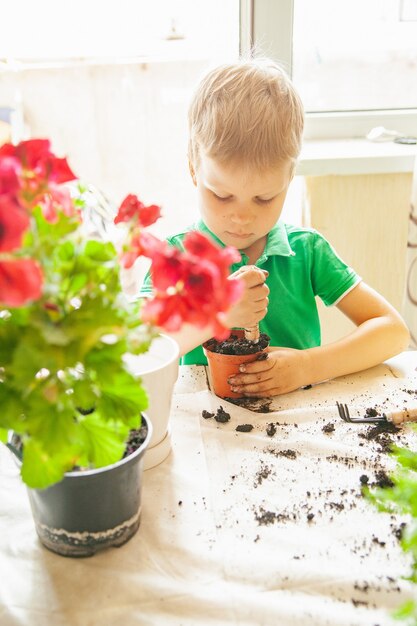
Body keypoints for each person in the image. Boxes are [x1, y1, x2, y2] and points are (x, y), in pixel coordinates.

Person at [140, 57, 410, 397]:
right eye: (222, 195)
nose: (242, 217)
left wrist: (309, 366)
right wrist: (218, 314)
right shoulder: (175, 258)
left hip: (298, 421)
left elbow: (392, 332)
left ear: (289, 178)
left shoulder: (307, 251)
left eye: (264, 198)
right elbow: (140, 349)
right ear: (194, 169)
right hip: (205, 434)